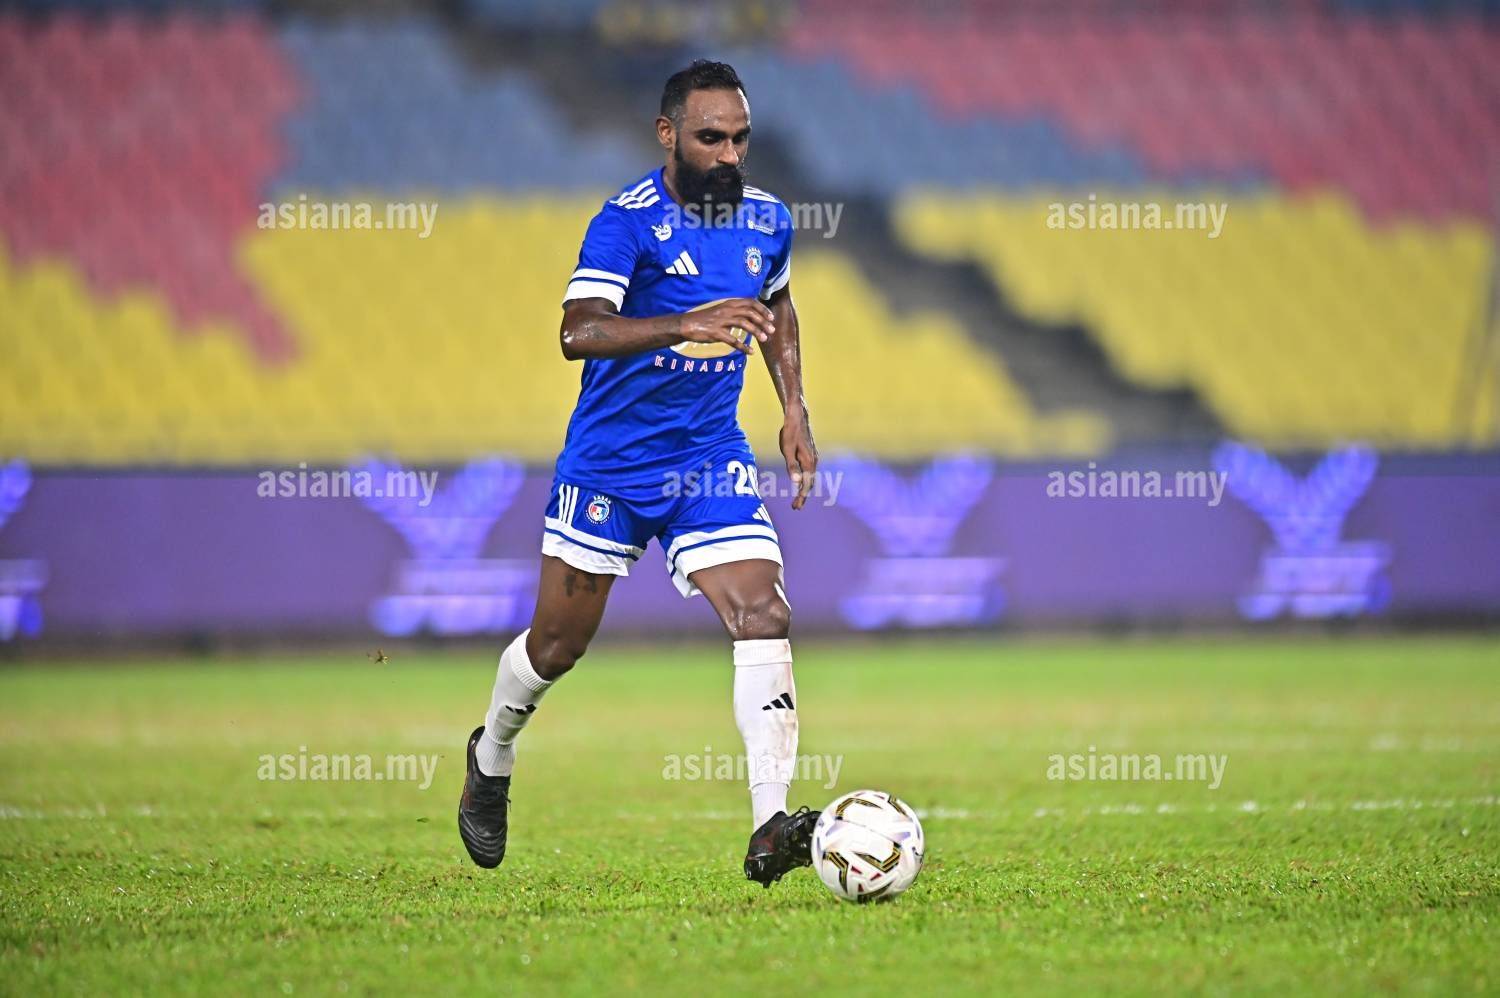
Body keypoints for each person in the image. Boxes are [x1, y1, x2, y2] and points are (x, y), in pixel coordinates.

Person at [458, 60, 821, 887]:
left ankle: (770, 822)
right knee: (556, 646)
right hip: (611, 467)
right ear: (668, 135)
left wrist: (794, 406)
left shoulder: (768, 219)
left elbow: (777, 305)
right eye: (711, 138)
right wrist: (686, 321)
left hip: (708, 458)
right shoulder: (626, 223)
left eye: (740, 139)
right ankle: (492, 753)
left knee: (764, 611)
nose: (729, 156)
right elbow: (578, 332)